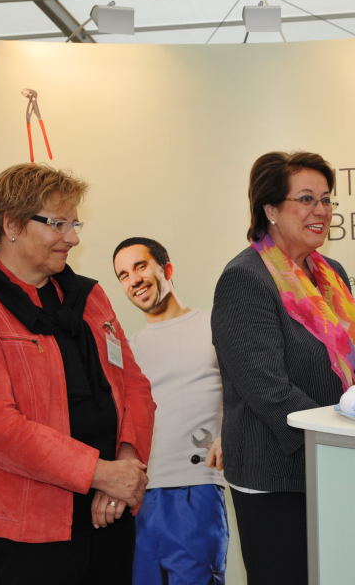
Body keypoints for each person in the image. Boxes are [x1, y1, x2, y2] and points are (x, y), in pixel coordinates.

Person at [0, 163, 155, 585]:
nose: (72, 238)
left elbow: (134, 387)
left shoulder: (88, 296)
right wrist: (100, 472)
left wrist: (124, 466)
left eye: (74, 224)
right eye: (58, 224)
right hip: (27, 525)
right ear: (11, 225)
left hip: (108, 509)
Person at [211, 151, 355, 585]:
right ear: (270, 209)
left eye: (326, 200)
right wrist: (341, 440)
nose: (321, 211)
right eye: (306, 199)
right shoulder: (245, 278)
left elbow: (353, 366)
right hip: (277, 475)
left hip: (333, 464)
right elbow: (267, 390)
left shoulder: (331, 273)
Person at [112, 237, 228, 585]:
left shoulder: (213, 326)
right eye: (123, 275)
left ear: (167, 269)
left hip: (196, 489)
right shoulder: (127, 349)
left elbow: (245, 390)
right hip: (138, 497)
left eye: (140, 266)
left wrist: (230, 433)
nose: (134, 279)